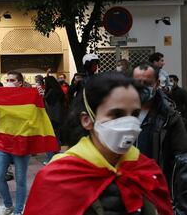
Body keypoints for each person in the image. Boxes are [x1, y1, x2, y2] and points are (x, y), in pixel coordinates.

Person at [23, 72, 173, 215]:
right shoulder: (57, 176)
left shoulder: (147, 170)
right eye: (117, 114)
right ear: (87, 120)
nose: (129, 123)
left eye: (134, 114)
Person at [133, 63, 187, 211]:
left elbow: (181, 162)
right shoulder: (119, 113)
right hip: (128, 190)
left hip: (155, 191)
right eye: (138, 83)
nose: (142, 87)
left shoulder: (170, 118)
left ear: (157, 84)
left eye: (147, 83)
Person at [0, 70, 30, 215]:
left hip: (21, 144)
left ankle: (18, 210)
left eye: (13, 80)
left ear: (20, 83)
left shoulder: (28, 99)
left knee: (20, 180)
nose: (9, 83)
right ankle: (8, 204)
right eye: (7, 80)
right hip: (2, 144)